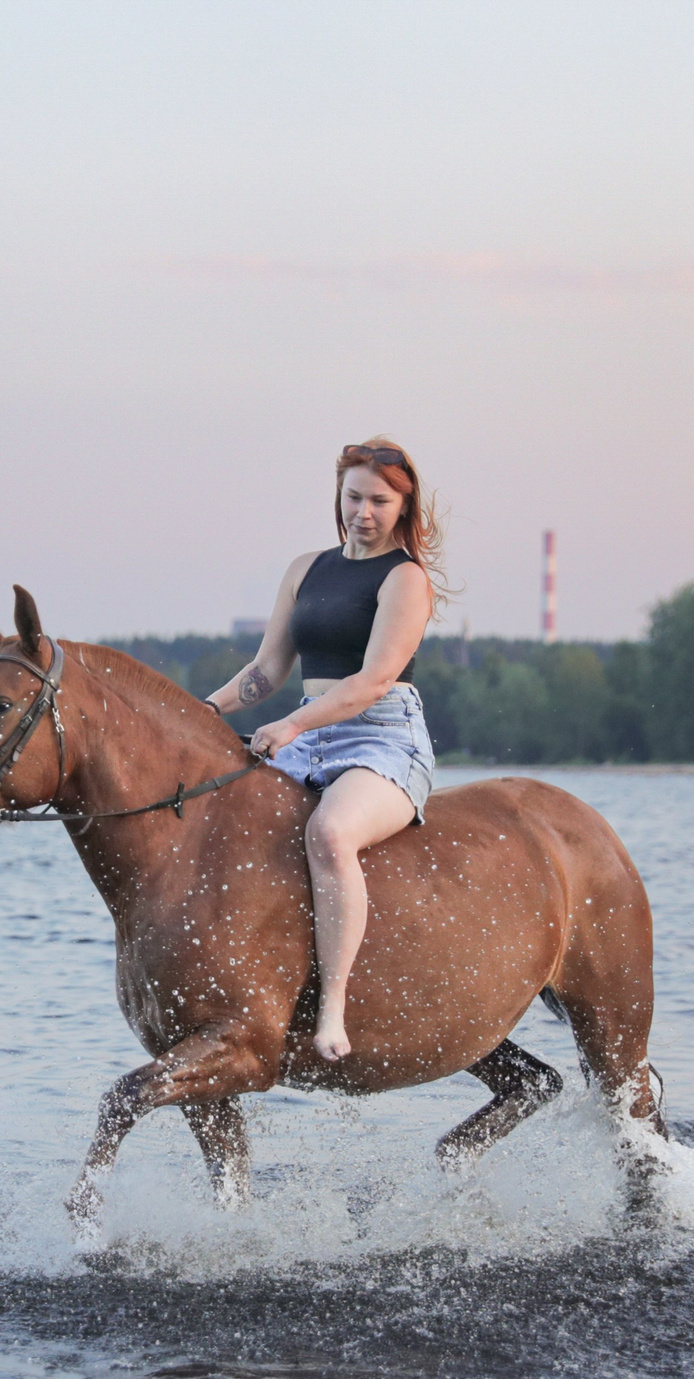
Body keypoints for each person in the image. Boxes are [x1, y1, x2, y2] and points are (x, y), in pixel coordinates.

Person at [204, 438, 447, 1062]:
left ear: (404, 505)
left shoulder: (406, 579)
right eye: (354, 497)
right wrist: (205, 712)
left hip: (384, 737)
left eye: (380, 501)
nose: (365, 512)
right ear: (338, 496)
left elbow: (370, 683)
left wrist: (290, 726)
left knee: (331, 833)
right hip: (308, 734)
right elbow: (265, 671)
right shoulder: (305, 569)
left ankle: (332, 1009)